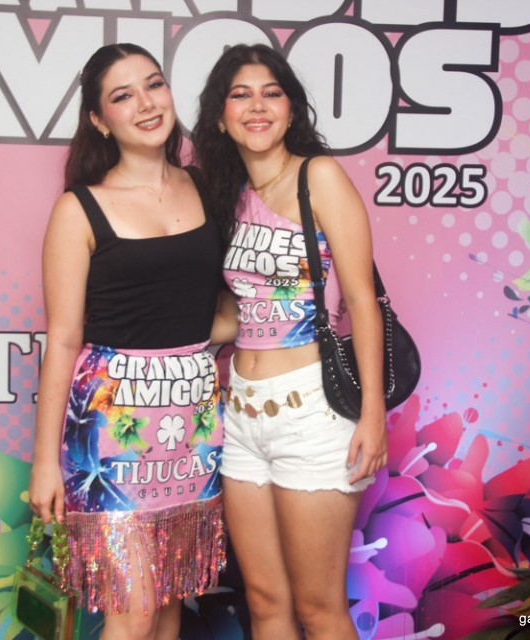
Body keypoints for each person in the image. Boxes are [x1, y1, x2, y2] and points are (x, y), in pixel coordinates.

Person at [28, 43, 228, 640]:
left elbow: (214, 307)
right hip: (111, 432)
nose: (146, 104)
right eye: (122, 96)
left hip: (193, 426)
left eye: (154, 84)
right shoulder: (78, 209)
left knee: (167, 603)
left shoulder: (206, 188)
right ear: (99, 119)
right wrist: (45, 463)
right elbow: (63, 339)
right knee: (133, 609)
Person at [192, 44, 387, 640]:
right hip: (242, 415)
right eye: (240, 95)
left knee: (318, 607)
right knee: (264, 600)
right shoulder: (225, 196)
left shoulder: (317, 176)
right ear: (220, 116)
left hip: (314, 413)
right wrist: (139, 332)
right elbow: (239, 314)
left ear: (291, 108)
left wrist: (373, 413)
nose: (257, 106)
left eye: (271, 93)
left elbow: (362, 302)